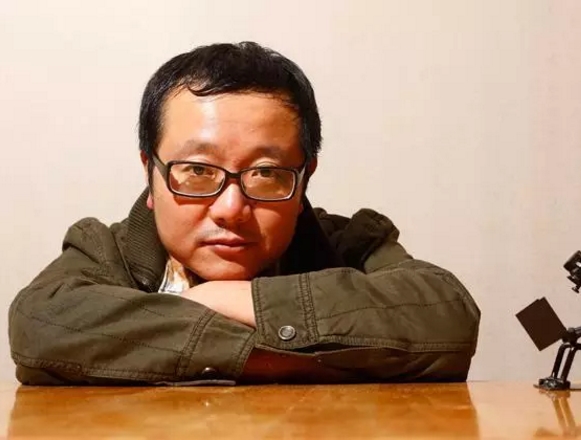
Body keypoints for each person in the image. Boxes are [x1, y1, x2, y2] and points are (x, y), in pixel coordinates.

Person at [8, 42, 480, 385]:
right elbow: (40, 325)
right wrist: (290, 358)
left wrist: (228, 300)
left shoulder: (348, 243)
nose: (231, 209)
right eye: (197, 170)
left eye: (266, 173)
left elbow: (447, 315)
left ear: (305, 178)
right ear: (150, 171)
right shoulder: (103, 250)